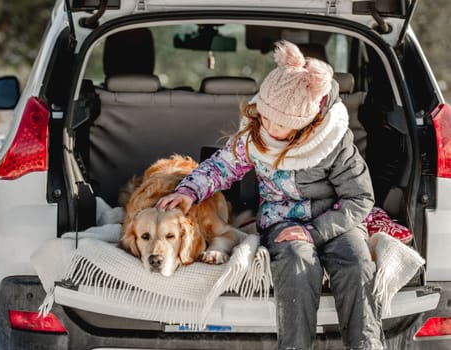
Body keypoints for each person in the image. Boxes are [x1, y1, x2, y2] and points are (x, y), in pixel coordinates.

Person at [156, 40, 384, 349]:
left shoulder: (334, 142)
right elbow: (222, 166)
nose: (269, 128)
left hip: (335, 220)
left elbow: (360, 199)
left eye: (281, 125)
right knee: (296, 262)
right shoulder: (255, 134)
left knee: (356, 264)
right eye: (265, 118)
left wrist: (316, 231)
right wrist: (190, 191)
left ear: (307, 123)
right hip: (283, 219)